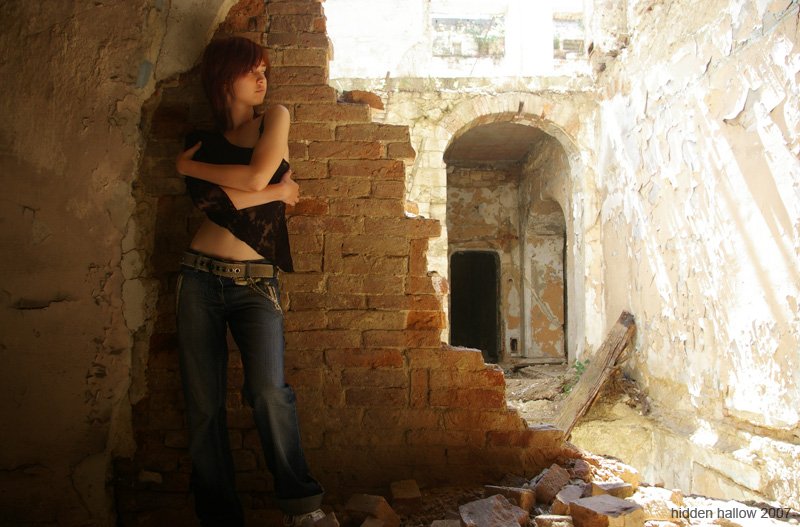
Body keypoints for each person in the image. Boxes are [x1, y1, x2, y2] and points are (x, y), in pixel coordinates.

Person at [174, 36, 325, 527]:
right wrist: (277, 191)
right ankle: (219, 517)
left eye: (265, 69)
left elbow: (257, 179)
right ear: (224, 78)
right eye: (251, 70)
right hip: (198, 279)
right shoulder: (199, 139)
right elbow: (220, 202)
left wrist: (189, 169)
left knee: (268, 393)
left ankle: (302, 508)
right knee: (203, 405)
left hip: (257, 283)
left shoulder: (273, 118)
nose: (262, 79)